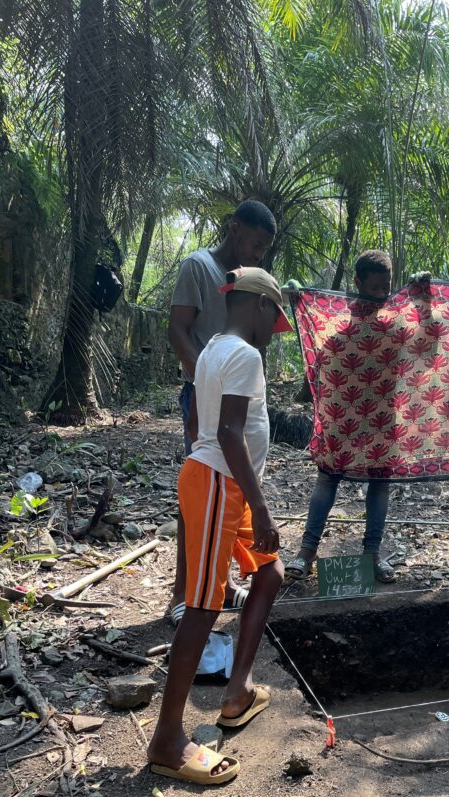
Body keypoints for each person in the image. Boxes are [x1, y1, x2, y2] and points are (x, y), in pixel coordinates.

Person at [147, 267, 291, 785]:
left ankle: (237, 693)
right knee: (203, 606)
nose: (271, 331)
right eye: (273, 317)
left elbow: (200, 422)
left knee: (269, 576)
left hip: (224, 485)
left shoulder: (209, 349)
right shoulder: (245, 355)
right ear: (260, 307)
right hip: (218, 483)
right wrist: (262, 505)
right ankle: (167, 739)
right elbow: (229, 432)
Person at [168, 199, 277, 625]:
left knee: (229, 496)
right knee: (201, 492)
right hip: (205, 390)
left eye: (265, 247)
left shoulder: (250, 281)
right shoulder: (199, 267)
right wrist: (205, 382)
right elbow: (178, 329)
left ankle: (222, 583)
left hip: (231, 394)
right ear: (234, 229)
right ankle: (183, 592)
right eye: (255, 242)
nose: (258, 252)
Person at [285, 250, 398, 583]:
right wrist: (299, 299)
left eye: (386, 288)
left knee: (379, 483)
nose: (380, 294)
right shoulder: (335, 326)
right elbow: (323, 359)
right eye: (375, 287)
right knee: (327, 476)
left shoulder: (395, 328)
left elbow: (429, 346)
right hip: (341, 415)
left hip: (381, 416)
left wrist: (424, 301)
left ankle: (372, 554)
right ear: (358, 283)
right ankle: (307, 551)